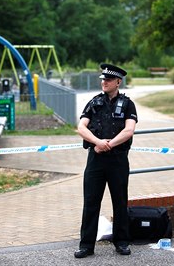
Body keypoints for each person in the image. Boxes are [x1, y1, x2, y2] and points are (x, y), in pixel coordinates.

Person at [74, 63, 138, 258]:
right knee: (91, 202)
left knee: (120, 202)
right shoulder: (94, 102)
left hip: (117, 160)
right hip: (96, 160)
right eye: (103, 79)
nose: (104, 82)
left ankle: (122, 242)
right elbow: (81, 127)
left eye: (108, 80)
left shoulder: (128, 104)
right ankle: (86, 245)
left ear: (118, 82)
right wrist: (97, 142)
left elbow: (129, 130)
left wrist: (108, 144)